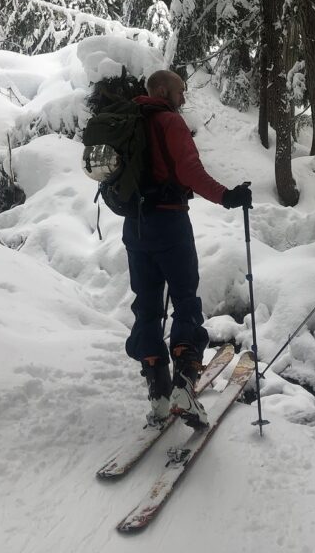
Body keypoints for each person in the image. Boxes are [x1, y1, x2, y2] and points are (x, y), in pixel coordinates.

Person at [124, 69, 252, 428]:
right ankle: (184, 386)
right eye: (180, 91)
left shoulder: (129, 123)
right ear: (162, 89)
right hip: (169, 223)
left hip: (134, 227)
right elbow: (189, 171)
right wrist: (227, 197)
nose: (183, 98)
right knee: (185, 301)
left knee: (147, 307)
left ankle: (158, 392)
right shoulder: (169, 121)